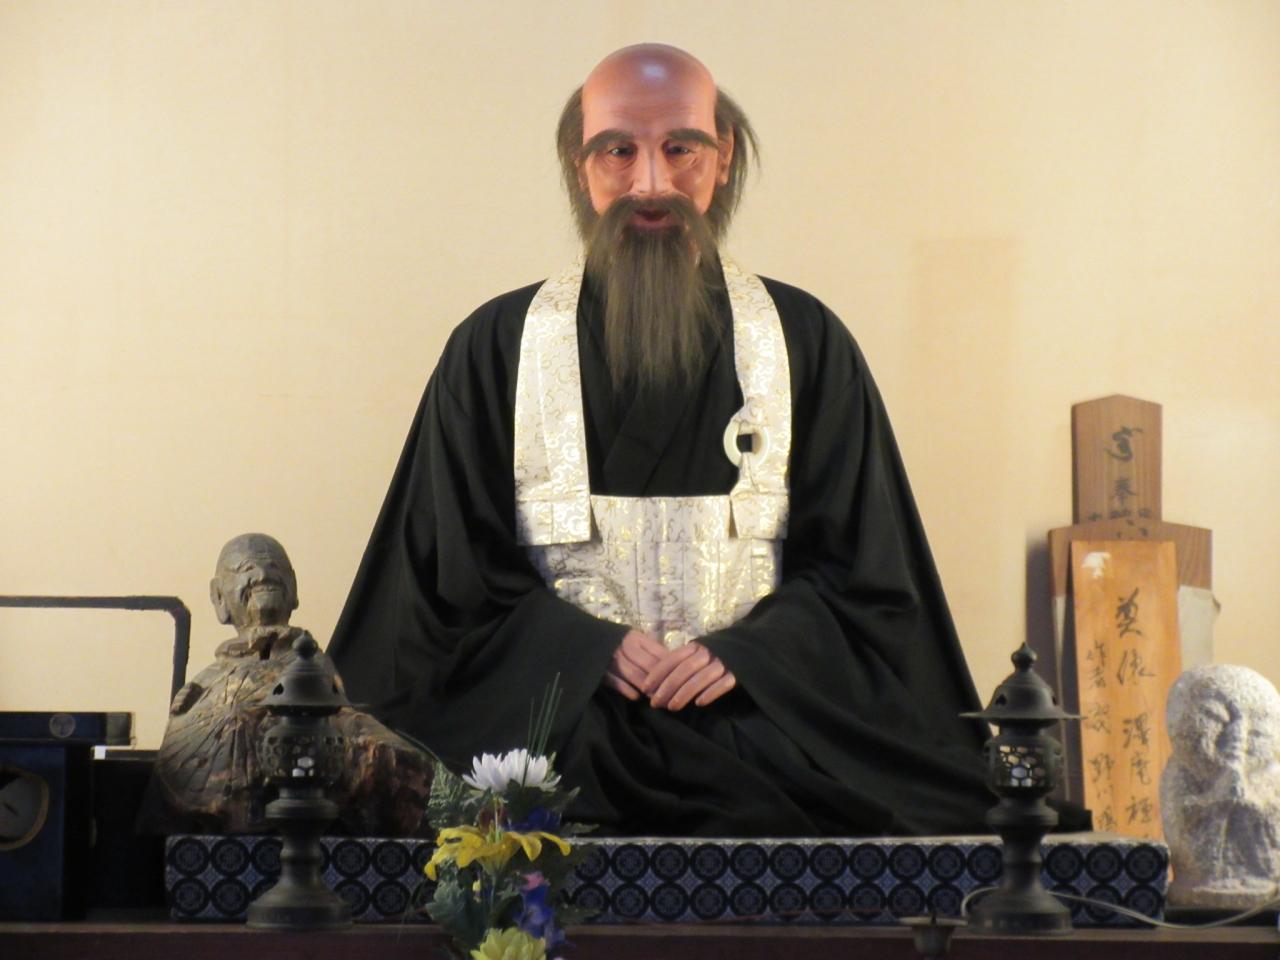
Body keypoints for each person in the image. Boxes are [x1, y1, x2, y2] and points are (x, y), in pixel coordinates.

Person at [329, 44, 999, 836]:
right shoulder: (493, 350)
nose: (651, 184)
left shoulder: (807, 342)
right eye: (618, 150)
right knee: (497, 797)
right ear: (577, 163)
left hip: (758, 720)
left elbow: (869, 583)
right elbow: (440, 595)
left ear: (725, 158)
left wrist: (750, 656)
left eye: (681, 148)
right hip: (561, 729)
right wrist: (583, 650)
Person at [142, 533, 433, 835]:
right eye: (245, 569)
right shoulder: (206, 682)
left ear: (293, 588)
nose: (263, 574)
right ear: (218, 597)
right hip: (210, 825)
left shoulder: (311, 665)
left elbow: (346, 728)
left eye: (274, 567)